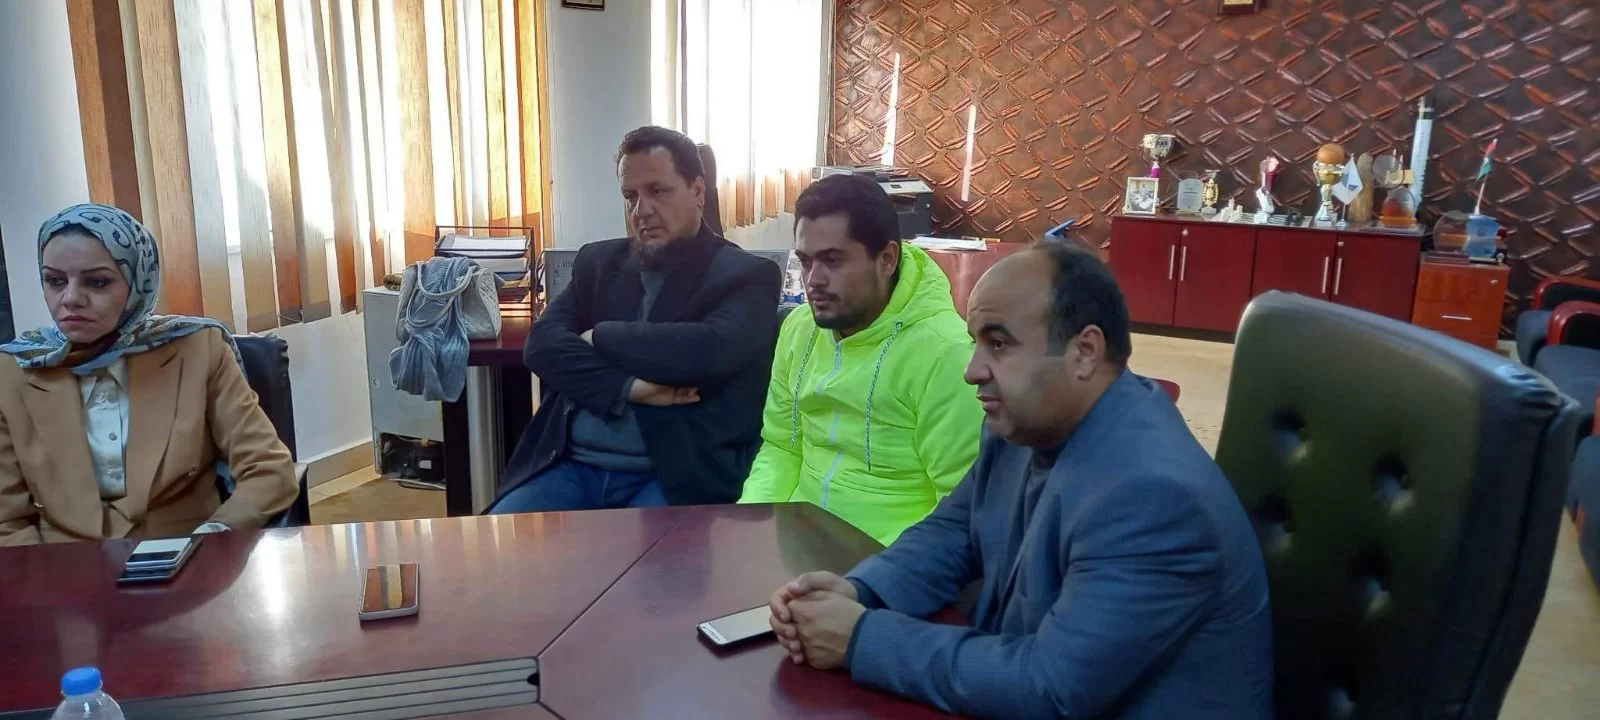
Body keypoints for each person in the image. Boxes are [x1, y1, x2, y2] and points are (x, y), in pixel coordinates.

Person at [767, 242, 1273, 719]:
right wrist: (859, 592)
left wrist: (861, 639)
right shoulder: (1025, 418)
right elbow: (952, 533)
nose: (972, 371)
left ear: (1085, 352)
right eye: (976, 343)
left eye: (998, 344)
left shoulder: (1154, 497)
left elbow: (1051, 688)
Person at [491, 126, 782, 512]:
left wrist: (600, 337)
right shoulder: (598, 263)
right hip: (570, 465)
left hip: (670, 475)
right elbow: (543, 346)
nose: (641, 210)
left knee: (641, 555)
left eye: (658, 191)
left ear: (698, 191)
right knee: (496, 544)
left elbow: (709, 350)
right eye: (630, 196)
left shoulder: (746, 274)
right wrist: (629, 388)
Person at [0, 204, 299, 545]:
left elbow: (268, 470)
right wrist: (44, 575)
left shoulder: (196, 349)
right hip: (62, 562)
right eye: (55, 281)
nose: (70, 298)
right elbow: (6, 519)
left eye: (97, 282)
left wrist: (212, 540)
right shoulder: (15, 370)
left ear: (138, 283)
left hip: (186, 552)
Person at [738, 174, 982, 545]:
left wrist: (873, 574)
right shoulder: (800, 328)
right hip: (797, 543)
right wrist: (749, 530)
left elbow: (959, 509)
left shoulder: (945, 352)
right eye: (805, 261)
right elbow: (781, 446)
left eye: (832, 261)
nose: (813, 280)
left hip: (889, 558)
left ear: (887, 259)